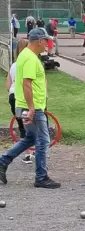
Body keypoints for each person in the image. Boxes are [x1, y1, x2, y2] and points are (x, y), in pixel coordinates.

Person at [0, 28, 60, 188]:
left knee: (31, 138)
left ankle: (3, 161)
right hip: (32, 107)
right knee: (43, 140)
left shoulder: (26, 56)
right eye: (46, 40)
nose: (48, 43)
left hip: (26, 105)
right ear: (39, 41)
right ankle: (41, 177)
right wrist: (32, 108)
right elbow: (27, 84)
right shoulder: (30, 59)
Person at [5, 38, 32, 164]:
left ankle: (27, 154)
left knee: (22, 125)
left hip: (13, 95)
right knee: (32, 125)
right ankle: (32, 151)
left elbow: (8, 84)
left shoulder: (14, 65)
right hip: (23, 97)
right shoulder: (28, 63)